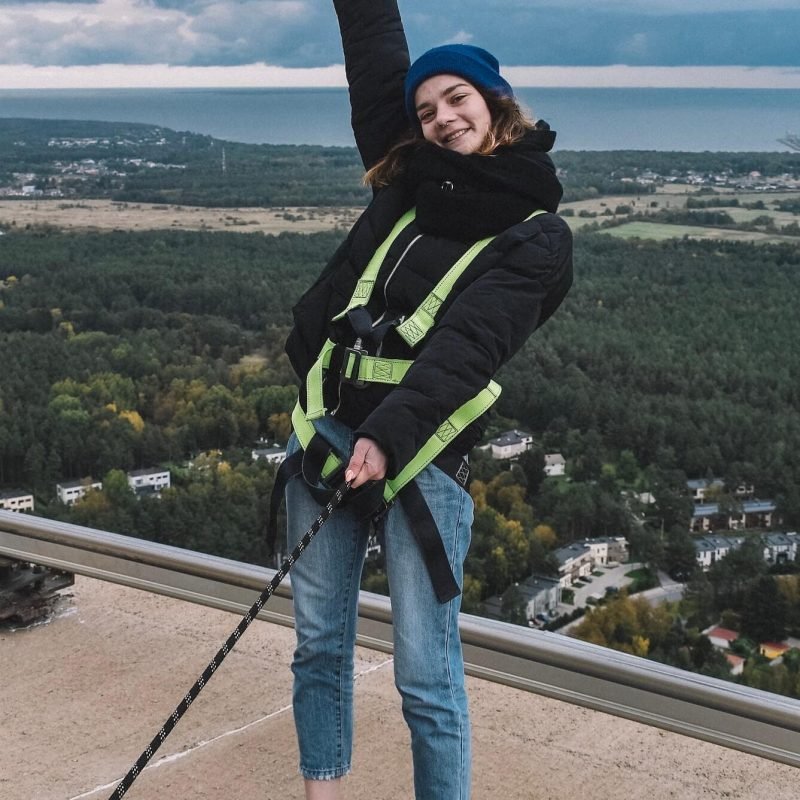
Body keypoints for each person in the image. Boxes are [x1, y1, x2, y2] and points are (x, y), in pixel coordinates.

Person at [281, 1, 572, 797]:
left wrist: (389, 436)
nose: (442, 119)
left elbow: (467, 349)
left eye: (458, 100)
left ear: (495, 103)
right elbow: (376, 62)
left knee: (425, 673)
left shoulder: (536, 233)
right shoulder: (411, 176)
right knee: (317, 646)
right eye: (426, 110)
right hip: (326, 434)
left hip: (425, 458)